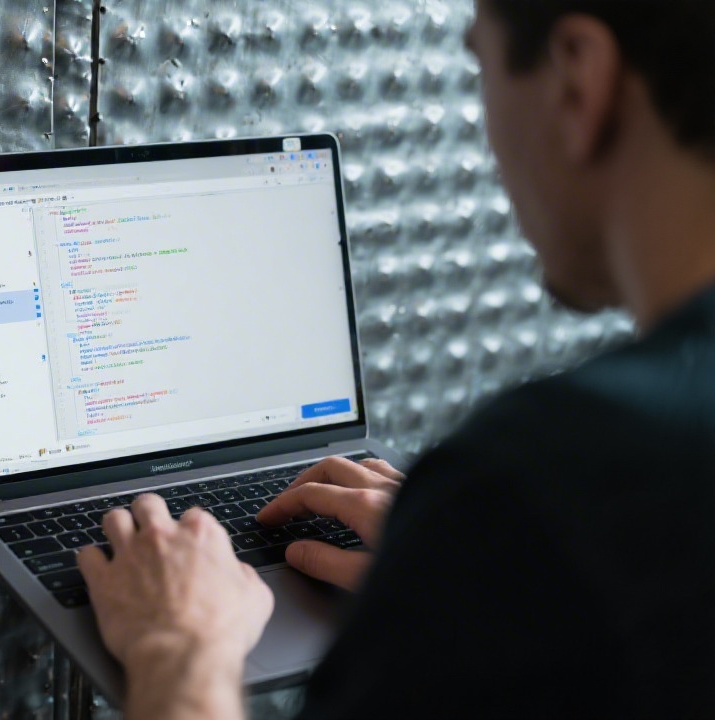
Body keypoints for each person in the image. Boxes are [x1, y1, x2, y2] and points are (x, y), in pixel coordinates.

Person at [75, 0, 715, 717]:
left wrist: (179, 649)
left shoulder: (553, 477)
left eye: (480, 65)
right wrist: (501, 586)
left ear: (577, 77)